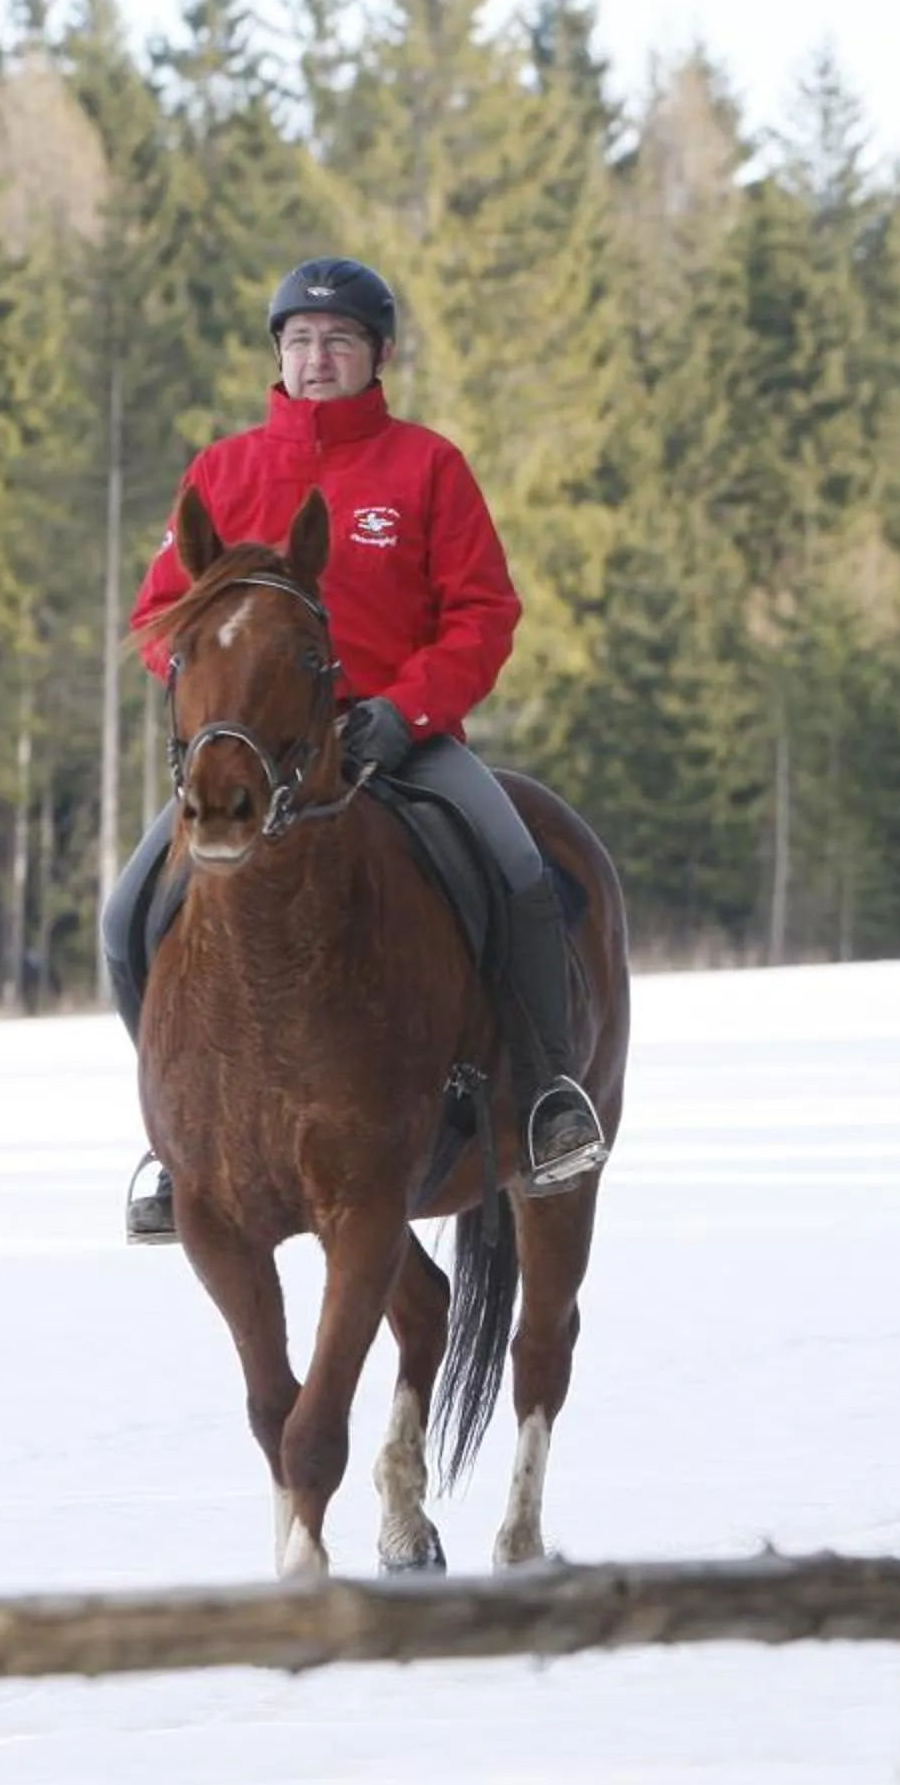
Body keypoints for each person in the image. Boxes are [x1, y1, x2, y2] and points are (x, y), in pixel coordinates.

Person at [102, 256, 607, 1245]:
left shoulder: (427, 466)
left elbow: (484, 612)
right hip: (252, 763)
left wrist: (407, 710)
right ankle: (178, 1138)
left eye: (338, 341)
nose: (316, 358)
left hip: (400, 744)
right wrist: (211, 697)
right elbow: (159, 614)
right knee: (128, 912)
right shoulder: (223, 470)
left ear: (379, 354)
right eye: (298, 341)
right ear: (278, 356)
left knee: (522, 875)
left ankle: (548, 1100)